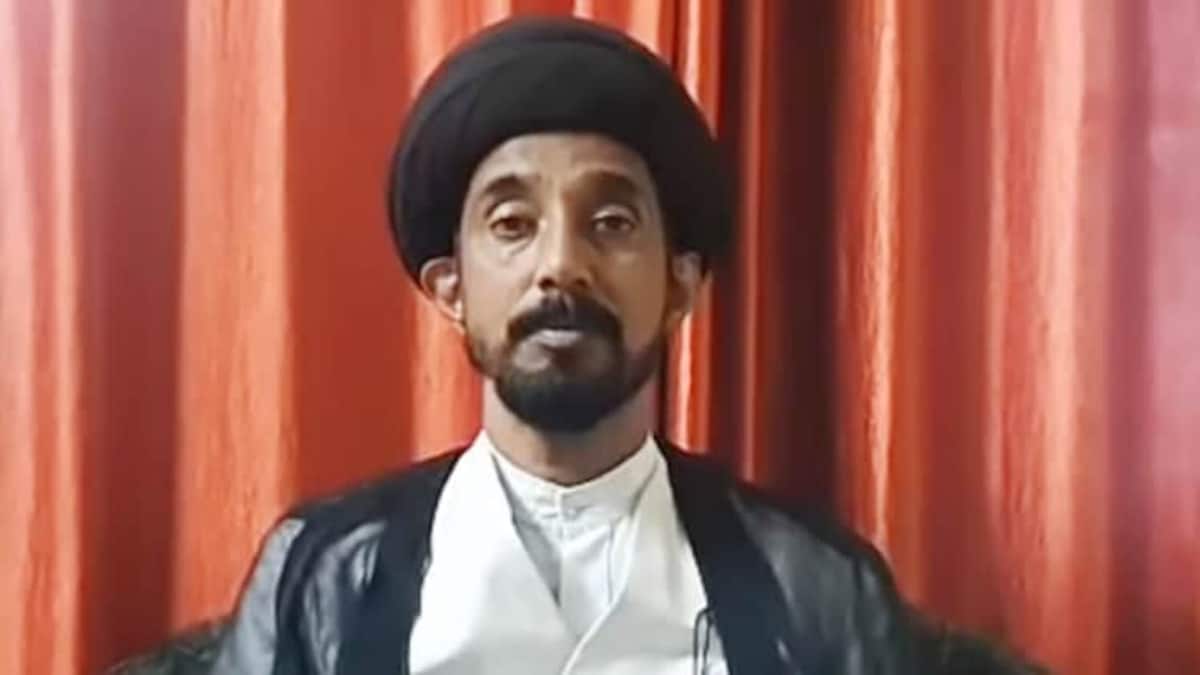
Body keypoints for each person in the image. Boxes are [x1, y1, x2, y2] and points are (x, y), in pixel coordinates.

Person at [208, 15, 1042, 675]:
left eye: (610, 222)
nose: (560, 264)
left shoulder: (817, 584)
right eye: (513, 224)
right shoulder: (324, 576)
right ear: (450, 288)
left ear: (681, 286)